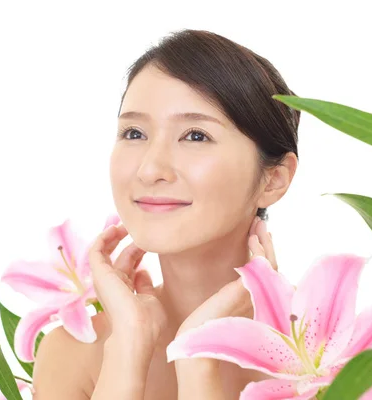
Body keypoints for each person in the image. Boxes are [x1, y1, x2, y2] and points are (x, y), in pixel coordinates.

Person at [31, 28, 299, 399]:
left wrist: (197, 359)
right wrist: (127, 349)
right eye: (134, 133)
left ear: (274, 179)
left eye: (195, 136)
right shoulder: (74, 351)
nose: (149, 169)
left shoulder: (330, 356)